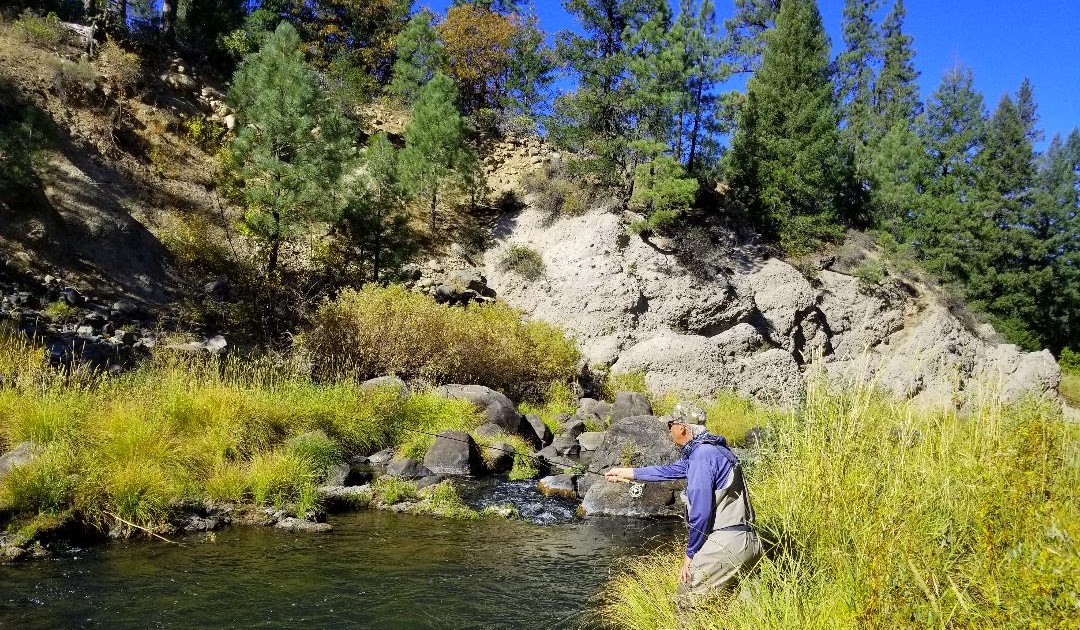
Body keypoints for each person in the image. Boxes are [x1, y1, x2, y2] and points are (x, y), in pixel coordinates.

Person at [604, 410, 762, 600]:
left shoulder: (701, 457)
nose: (669, 431)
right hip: (750, 543)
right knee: (738, 609)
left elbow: (701, 513)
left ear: (682, 428)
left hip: (723, 546)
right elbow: (666, 471)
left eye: (670, 425)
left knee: (686, 604)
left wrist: (691, 553)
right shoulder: (715, 450)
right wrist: (626, 472)